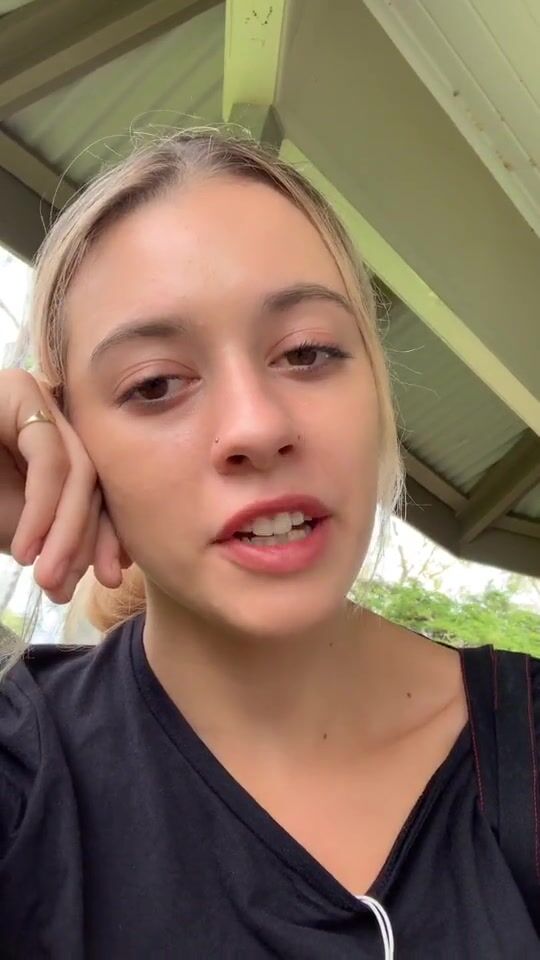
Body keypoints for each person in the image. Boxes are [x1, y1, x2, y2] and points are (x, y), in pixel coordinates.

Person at [0, 130, 538, 959]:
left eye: (308, 352)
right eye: (155, 384)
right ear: (71, 439)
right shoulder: (25, 771)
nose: (256, 427)